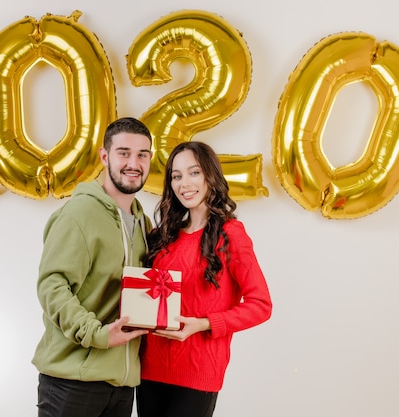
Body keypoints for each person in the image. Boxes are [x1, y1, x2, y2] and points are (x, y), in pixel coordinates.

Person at [136, 141, 272, 417]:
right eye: (176, 176)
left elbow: (261, 305)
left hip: (198, 373)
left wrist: (202, 324)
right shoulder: (162, 237)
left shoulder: (231, 233)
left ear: (211, 176)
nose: (184, 183)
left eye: (194, 172)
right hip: (150, 369)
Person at [32, 117, 153, 417]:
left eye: (142, 155)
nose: (133, 163)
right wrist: (97, 334)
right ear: (104, 156)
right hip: (72, 383)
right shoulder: (80, 212)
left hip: (121, 386)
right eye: (124, 153)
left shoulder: (142, 222)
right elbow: (53, 285)